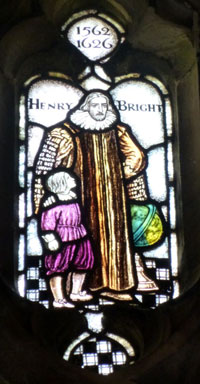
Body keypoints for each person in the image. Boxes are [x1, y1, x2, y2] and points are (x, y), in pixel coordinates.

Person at [34, 91, 150, 297]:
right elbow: (47, 169)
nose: (100, 110)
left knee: (115, 237)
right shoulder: (68, 131)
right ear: (87, 107)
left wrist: (118, 174)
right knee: (81, 240)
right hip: (81, 196)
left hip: (113, 196)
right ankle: (77, 287)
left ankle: (115, 286)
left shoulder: (118, 130)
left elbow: (136, 156)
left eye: (104, 106)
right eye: (95, 106)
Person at [39, 170, 94, 308]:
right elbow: (47, 225)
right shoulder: (53, 204)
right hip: (63, 239)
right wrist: (51, 239)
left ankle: (76, 291)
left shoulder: (74, 198)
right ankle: (59, 299)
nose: (74, 179)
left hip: (80, 235)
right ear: (61, 184)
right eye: (70, 178)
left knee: (84, 262)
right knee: (57, 267)